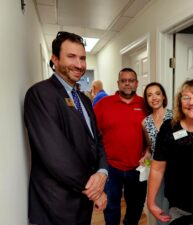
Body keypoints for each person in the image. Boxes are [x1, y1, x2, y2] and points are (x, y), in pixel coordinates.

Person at [24, 31, 108, 225]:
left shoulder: (84, 100)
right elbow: (56, 155)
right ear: (55, 59)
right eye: (71, 57)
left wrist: (103, 172)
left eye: (82, 58)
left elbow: (97, 140)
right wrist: (95, 191)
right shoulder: (40, 94)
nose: (79, 65)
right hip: (57, 204)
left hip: (82, 201)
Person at [147, 79, 193, 225]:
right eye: (186, 97)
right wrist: (151, 202)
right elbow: (157, 168)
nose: (192, 102)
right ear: (180, 102)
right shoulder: (169, 128)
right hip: (180, 208)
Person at [94, 67, 150, 225]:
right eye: (123, 81)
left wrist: (147, 153)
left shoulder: (145, 105)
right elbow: (93, 135)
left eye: (131, 80)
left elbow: (153, 134)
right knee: (111, 206)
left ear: (137, 83)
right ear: (118, 83)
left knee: (136, 206)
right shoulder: (104, 104)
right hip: (111, 167)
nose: (127, 84)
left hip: (138, 167)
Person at [142, 82, 173, 225]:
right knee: (160, 206)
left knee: (177, 207)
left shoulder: (176, 117)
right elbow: (150, 146)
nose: (154, 97)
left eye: (157, 93)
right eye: (149, 95)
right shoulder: (145, 122)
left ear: (163, 96)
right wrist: (146, 155)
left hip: (176, 168)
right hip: (157, 169)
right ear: (147, 100)